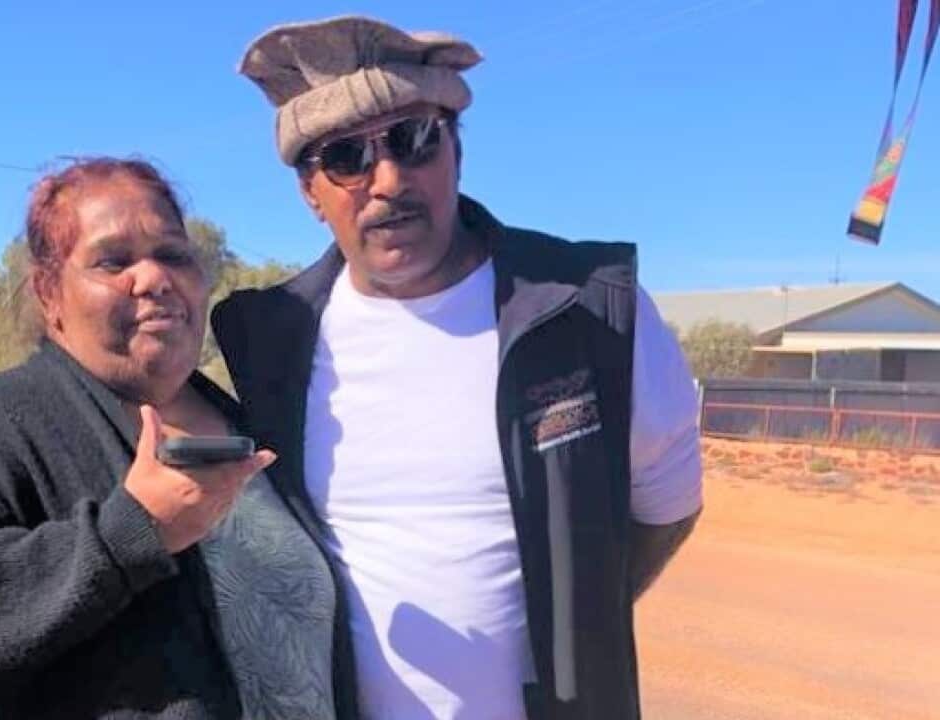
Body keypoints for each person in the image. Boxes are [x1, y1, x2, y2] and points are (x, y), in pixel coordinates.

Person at [212, 16, 704, 720]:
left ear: (456, 152)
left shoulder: (587, 307)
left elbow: (666, 505)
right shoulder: (270, 339)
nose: (387, 180)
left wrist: (574, 620)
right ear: (311, 194)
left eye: (414, 140)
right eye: (347, 157)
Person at [0, 158, 338, 720]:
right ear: (49, 293)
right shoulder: (0, 420)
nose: (154, 278)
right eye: (113, 261)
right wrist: (129, 536)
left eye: (173, 255)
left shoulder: (246, 422)